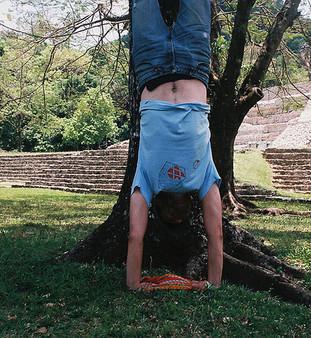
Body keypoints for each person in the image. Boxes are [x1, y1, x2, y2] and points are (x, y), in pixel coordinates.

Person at [126, 0, 223, 290]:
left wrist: (136, 284)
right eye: (179, 218)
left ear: (157, 211)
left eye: (171, 218)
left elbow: (134, 236)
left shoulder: (147, 181)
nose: (175, 215)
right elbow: (216, 235)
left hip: (151, 68)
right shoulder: (202, 180)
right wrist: (208, 285)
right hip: (194, 63)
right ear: (190, 211)